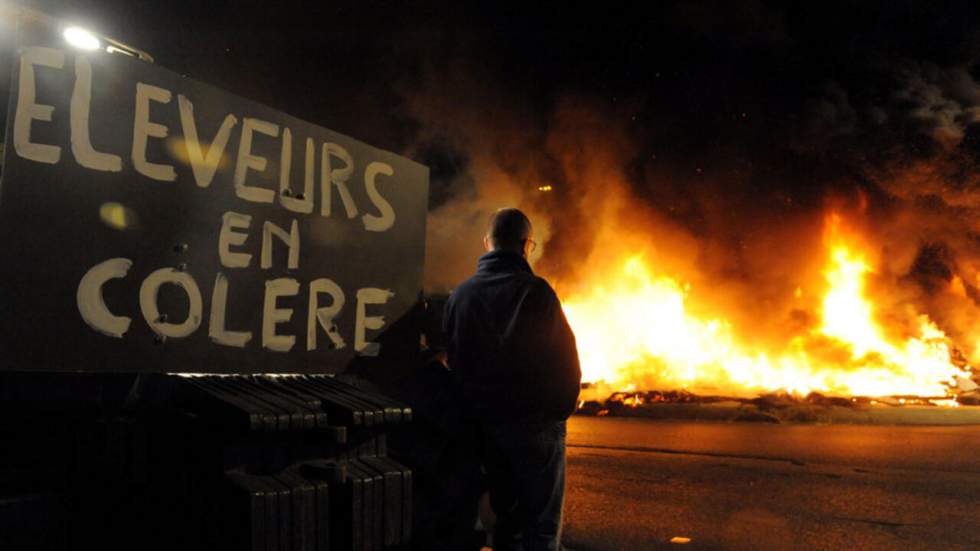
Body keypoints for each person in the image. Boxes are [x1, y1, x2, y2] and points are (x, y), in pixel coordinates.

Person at [444, 207, 581, 551]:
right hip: (533, 426)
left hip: (484, 428)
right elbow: (565, 361)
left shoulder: (460, 296)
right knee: (540, 527)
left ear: (487, 243)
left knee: (506, 520)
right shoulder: (535, 292)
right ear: (525, 246)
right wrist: (557, 413)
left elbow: (454, 360)